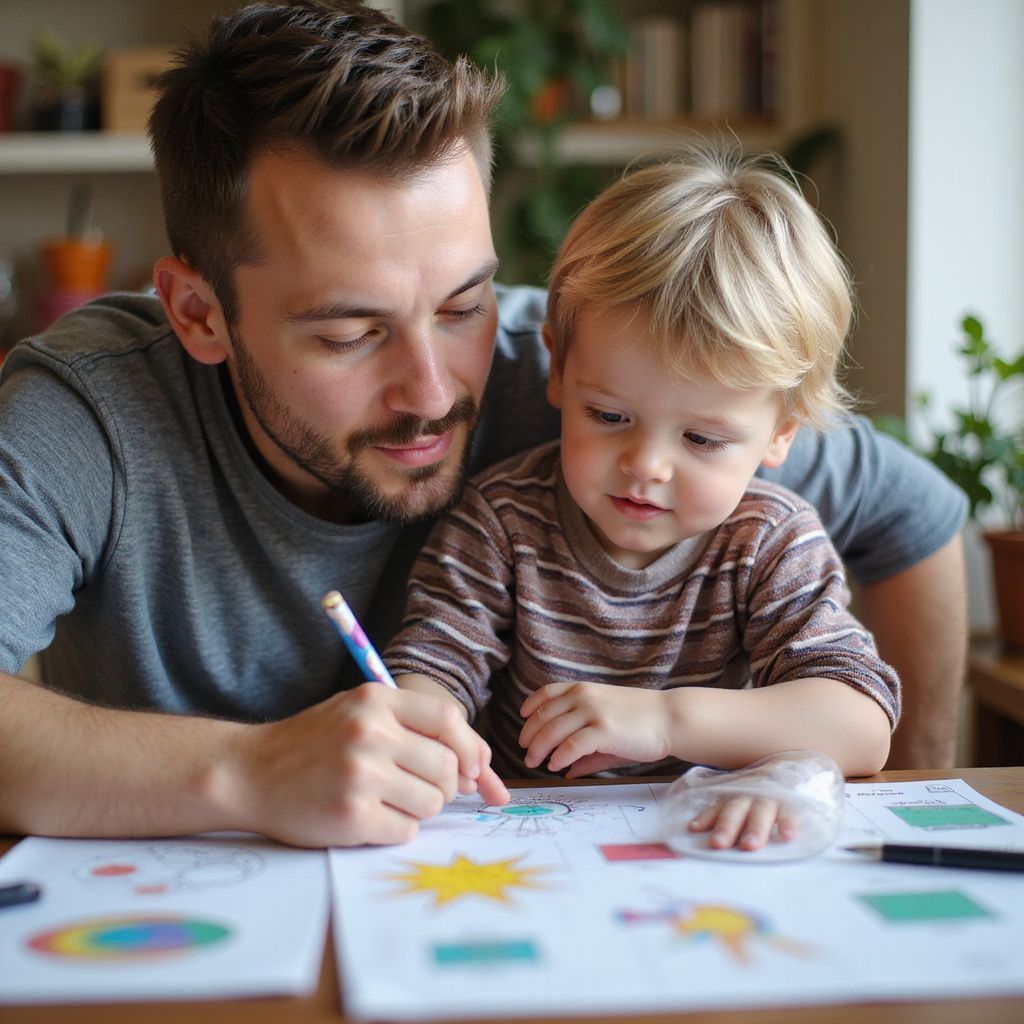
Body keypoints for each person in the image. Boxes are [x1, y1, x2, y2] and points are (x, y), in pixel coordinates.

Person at [0, 1, 964, 849]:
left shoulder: (599, 372)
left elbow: (911, 516)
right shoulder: (88, 412)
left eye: (461, 305)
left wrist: (898, 796)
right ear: (199, 313)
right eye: (349, 332)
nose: (430, 389)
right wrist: (247, 773)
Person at [385, 146, 900, 848]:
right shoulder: (503, 517)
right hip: (530, 842)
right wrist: (419, 724)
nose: (646, 467)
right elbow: (436, 666)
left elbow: (862, 722)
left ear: (780, 436)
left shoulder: (770, 541)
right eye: (609, 417)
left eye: (702, 439)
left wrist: (663, 722)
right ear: (559, 372)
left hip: (714, 845)